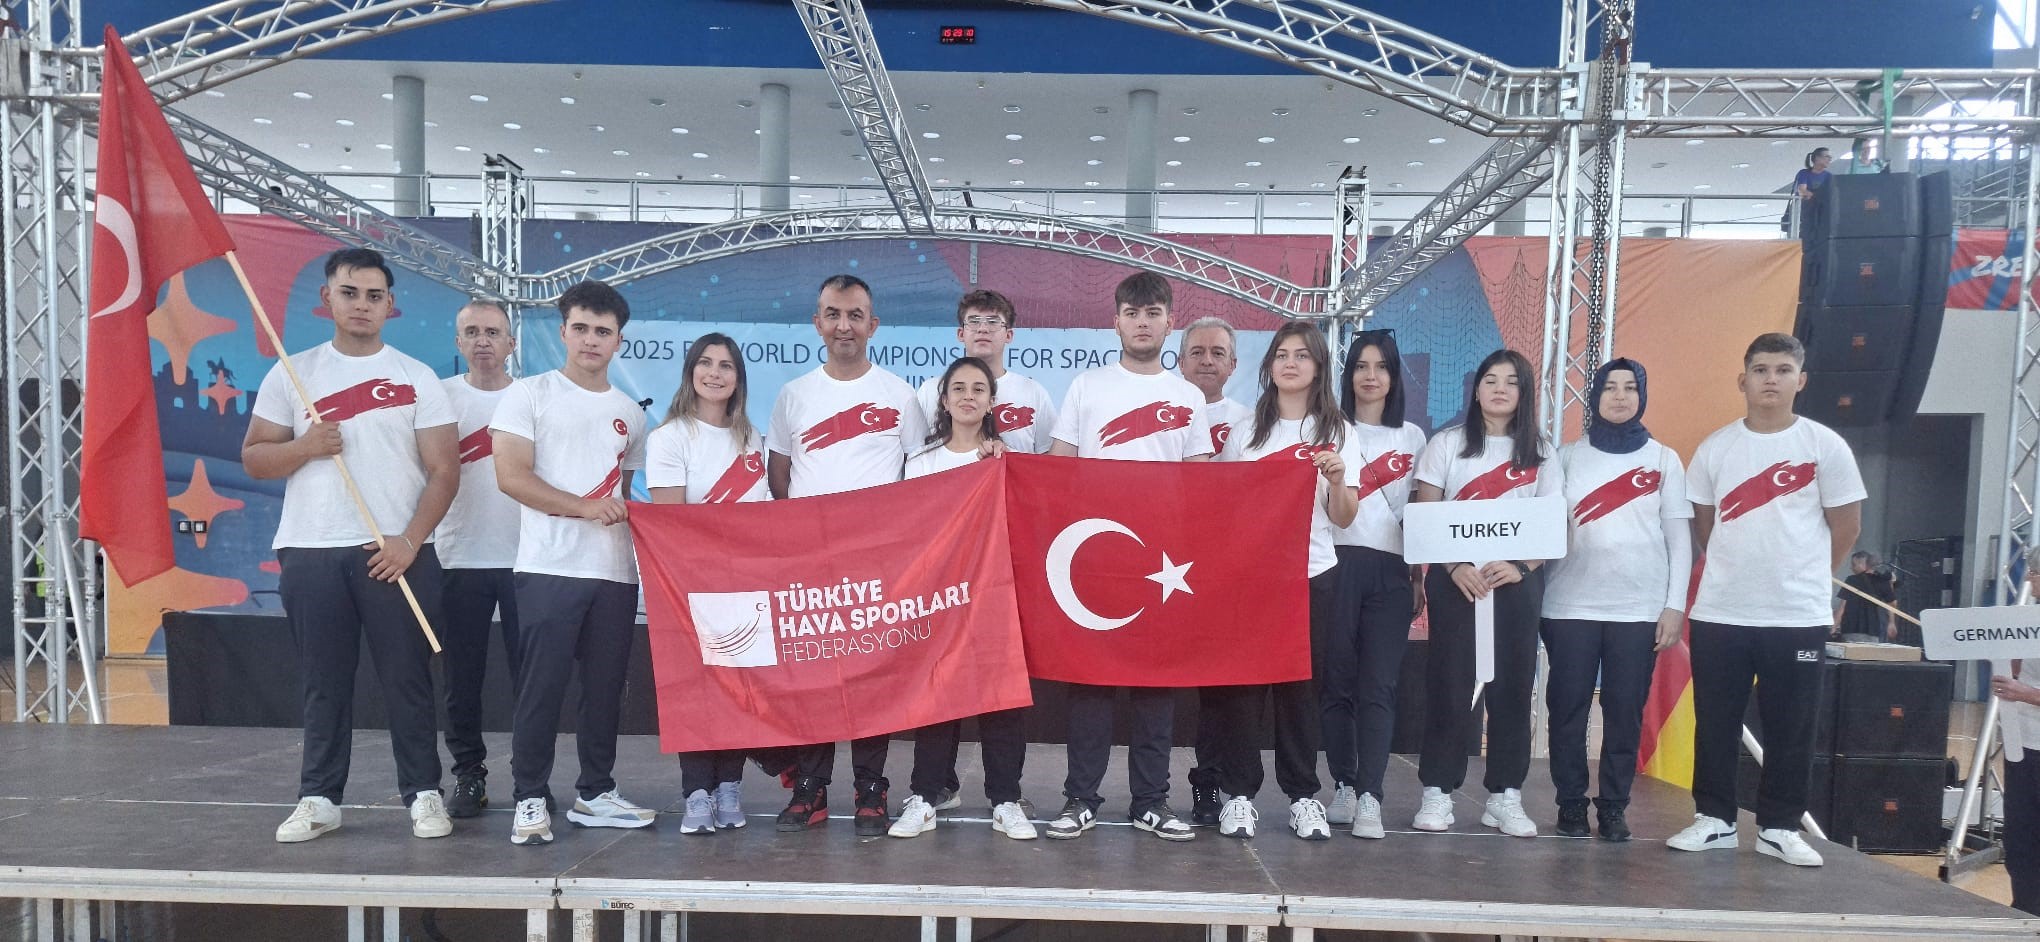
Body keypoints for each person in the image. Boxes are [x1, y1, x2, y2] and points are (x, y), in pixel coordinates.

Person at [245, 248, 459, 844]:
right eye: (349, 293)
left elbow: (445, 471)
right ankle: (318, 798)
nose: (361, 305)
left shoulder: (417, 377)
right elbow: (256, 457)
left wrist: (410, 541)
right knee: (323, 680)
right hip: (311, 547)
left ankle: (423, 793)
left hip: (395, 552)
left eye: (373, 296)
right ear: (327, 300)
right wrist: (304, 448)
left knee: (408, 679)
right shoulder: (292, 373)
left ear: (391, 306)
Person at [1669, 332, 1865, 868]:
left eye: (1782, 370)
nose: (1770, 379)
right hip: (1721, 613)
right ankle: (1714, 820)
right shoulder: (1715, 448)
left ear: (1801, 380)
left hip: (1797, 615)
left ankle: (1779, 827)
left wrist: (1806, 576)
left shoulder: (1826, 446)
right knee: (1716, 722)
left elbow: (1847, 526)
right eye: (1760, 370)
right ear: (1743, 380)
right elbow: (1705, 528)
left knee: (1791, 727)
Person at [1046, 271, 1213, 842]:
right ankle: (1080, 799)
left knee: (1154, 684)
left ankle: (1151, 802)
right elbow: (1058, 467)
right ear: (1115, 321)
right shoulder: (1087, 387)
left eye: (1153, 313)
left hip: (1163, 562)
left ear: (1170, 323)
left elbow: (1200, 484)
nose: (1143, 322)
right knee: (1090, 683)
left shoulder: (1188, 397)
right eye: (1133, 313)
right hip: (1096, 553)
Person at [491, 279, 655, 846]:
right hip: (548, 568)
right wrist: (585, 509)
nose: (591, 340)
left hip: (614, 574)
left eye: (602, 332)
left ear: (619, 341)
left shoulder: (630, 414)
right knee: (542, 688)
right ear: (562, 332)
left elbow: (625, 497)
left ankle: (596, 792)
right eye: (581, 328)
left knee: (605, 690)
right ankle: (530, 795)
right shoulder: (528, 395)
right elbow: (511, 477)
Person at [765, 274, 928, 837]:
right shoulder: (793, 395)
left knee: (870, 675)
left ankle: (871, 789)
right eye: (833, 314)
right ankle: (810, 788)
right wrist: (809, 533)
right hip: (810, 560)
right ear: (817, 323)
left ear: (872, 325)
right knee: (813, 673)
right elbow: (779, 475)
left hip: (876, 562)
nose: (844, 326)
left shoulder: (900, 395)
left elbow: (917, 475)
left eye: (855, 315)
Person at [1207, 322, 1355, 841]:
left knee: (1300, 690)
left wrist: (1338, 479)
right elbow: (1224, 507)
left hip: (1312, 574)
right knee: (1244, 689)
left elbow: (1344, 517)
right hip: (1250, 578)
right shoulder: (1246, 431)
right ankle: (1238, 795)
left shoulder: (1337, 431)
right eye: (1282, 355)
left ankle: (1302, 796)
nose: (1291, 363)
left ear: (1318, 367)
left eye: (1302, 355)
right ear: (1268, 366)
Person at [1409, 348, 1560, 839]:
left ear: (1524, 393)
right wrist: (1454, 566)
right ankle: (1438, 790)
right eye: (1491, 380)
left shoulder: (1541, 450)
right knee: (1449, 685)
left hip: (1515, 585)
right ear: (1476, 390)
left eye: (1511, 382)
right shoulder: (1447, 444)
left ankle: (1505, 795)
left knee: (1512, 688)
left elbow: (1551, 525)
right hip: (1457, 583)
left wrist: (1520, 567)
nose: (1500, 389)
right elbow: (1425, 516)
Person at [1539, 358, 1691, 842]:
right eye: (1609, 388)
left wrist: (1674, 606)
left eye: (1630, 388)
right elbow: (1544, 529)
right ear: (1595, 396)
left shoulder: (1665, 460)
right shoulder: (1566, 457)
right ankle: (1570, 803)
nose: (1620, 396)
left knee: (1625, 712)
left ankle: (1613, 807)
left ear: (1642, 396)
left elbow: (1679, 541)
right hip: (1569, 607)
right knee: (1567, 709)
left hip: (1639, 610)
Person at [889, 356, 1037, 841]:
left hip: (995, 595)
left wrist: (1001, 466)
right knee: (938, 696)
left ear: (992, 402)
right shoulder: (922, 461)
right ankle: (925, 796)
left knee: (1001, 697)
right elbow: (909, 529)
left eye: (978, 388)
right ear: (944, 400)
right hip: (939, 597)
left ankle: (1006, 800)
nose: (968, 396)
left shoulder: (1006, 459)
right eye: (959, 388)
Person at [646, 332, 769, 834]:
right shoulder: (669, 437)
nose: (715, 373)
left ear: (739, 378)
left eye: (726, 365)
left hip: (745, 584)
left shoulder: (752, 439)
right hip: (691, 584)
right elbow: (670, 521)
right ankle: (697, 792)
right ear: (690, 372)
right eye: (706, 363)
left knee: (738, 688)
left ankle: (729, 786)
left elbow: (762, 516)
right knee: (696, 689)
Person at [1322, 329, 1427, 839]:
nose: (1370, 376)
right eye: (1361, 366)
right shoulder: (1328, 428)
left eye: (1380, 367)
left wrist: (1417, 575)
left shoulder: (1414, 437)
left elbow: (1420, 516)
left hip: (1391, 571)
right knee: (1336, 683)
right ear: (1348, 376)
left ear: (1393, 376)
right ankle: (1343, 784)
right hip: (1334, 565)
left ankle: (1370, 795)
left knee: (1379, 686)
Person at [435, 299, 523, 820]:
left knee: (531, 680)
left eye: (493, 332)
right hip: (457, 557)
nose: (483, 340)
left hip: (526, 559)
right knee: (460, 680)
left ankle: (529, 779)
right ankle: (469, 774)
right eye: (472, 331)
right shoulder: (439, 399)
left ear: (511, 343)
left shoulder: (532, 398)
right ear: (459, 342)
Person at [1178, 314, 1250, 826]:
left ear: (1233, 364)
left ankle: (1213, 782)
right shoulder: (1165, 411)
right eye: (1197, 352)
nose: (1207, 361)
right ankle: (1146, 791)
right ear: (1180, 361)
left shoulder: (1251, 422)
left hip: (1229, 567)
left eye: (1217, 352)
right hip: (1164, 558)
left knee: (1222, 684)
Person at [916, 289, 1059, 456]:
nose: (983, 329)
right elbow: (917, 451)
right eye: (974, 321)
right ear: (961, 333)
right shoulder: (930, 390)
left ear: (1009, 335)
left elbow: (1049, 460)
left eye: (993, 322)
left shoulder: (1034, 393)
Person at [1988, 547, 2040, 915]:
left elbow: (2024, 686)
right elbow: (2018, 670)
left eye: (2035, 572)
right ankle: (2024, 910)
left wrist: (2026, 694)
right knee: (2020, 836)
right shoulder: (2028, 619)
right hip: (2023, 744)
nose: (2028, 579)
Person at [1834, 550, 1897, 642]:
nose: (1851, 568)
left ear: (1863, 564)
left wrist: (1834, 627)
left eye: (1854, 565)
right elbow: (1892, 604)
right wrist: (1892, 623)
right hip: (1873, 631)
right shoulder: (1883, 581)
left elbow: (1842, 607)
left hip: (1851, 629)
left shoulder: (1852, 580)